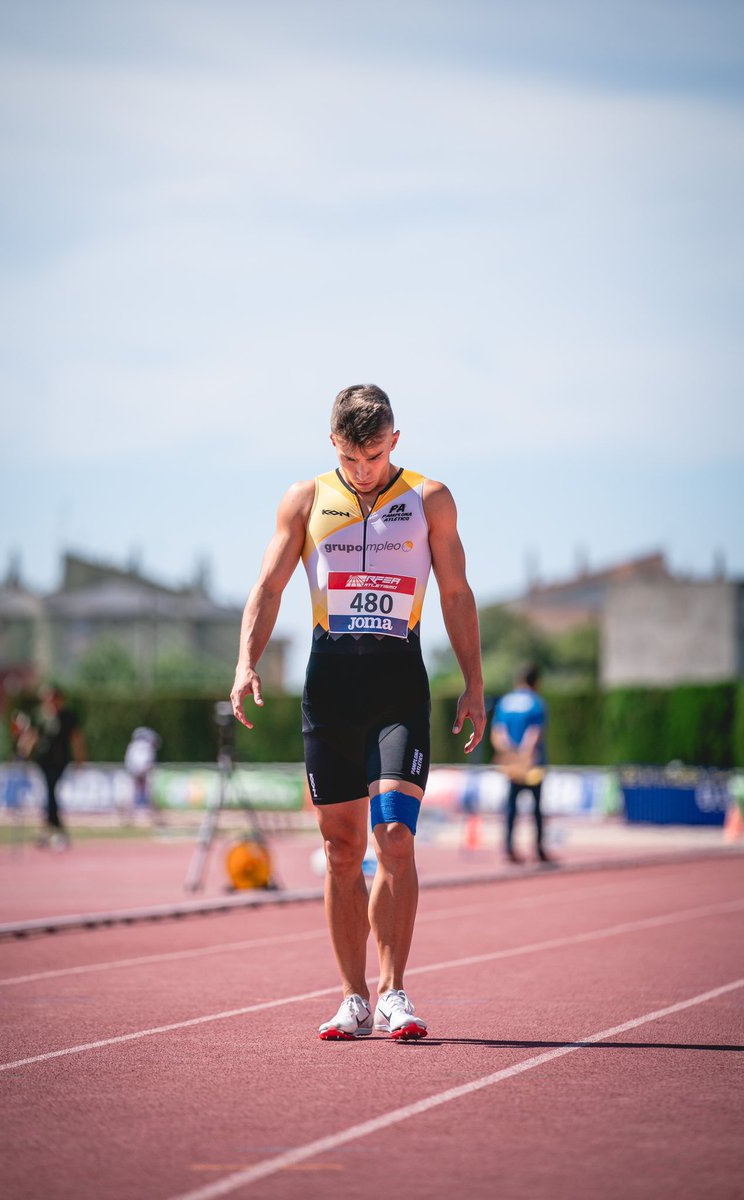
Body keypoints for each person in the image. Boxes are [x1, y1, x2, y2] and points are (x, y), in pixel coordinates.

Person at [231, 384, 485, 1041]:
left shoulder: (429, 500)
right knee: (341, 851)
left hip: (398, 689)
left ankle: (395, 990)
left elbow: (456, 593)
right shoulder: (307, 499)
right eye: (350, 457)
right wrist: (245, 662)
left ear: (395, 442)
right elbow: (268, 585)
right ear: (333, 446)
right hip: (331, 692)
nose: (362, 470)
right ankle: (352, 999)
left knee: (394, 837)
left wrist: (475, 683)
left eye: (372, 455)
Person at [491, 665, 550, 865]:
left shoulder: (505, 702)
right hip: (532, 763)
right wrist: (525, 754)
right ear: (536, 682)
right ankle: (539, 849)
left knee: (511, 807)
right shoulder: (536, 702)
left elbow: (499, 732)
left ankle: (509, 848)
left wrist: (509, 753)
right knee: (536, 808)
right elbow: (534, 732)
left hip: (512, 763)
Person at [29, 686, 87, 849]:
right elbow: (32, 736)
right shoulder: (40, 716)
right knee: (50, 791)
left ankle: (50, 828)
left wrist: (80, 759)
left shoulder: (68, 716)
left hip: (60, 760)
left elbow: (76, 738)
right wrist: (23, 753)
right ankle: (53, 828)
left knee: (51, 790)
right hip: (43, 761)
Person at [123, 726, 161, 824]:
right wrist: (146, 771)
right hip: (143, 769)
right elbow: (148, 762)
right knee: (149, 793)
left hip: (134, 769)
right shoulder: (146, 746)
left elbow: (129, 760)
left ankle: (129, 816)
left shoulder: (133, 745)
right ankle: (154, 816)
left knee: (132, 793)